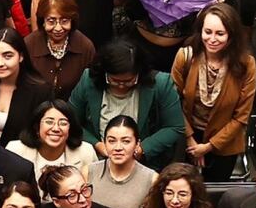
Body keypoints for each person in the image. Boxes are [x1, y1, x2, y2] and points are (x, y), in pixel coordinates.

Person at [170, 3, 256, 182]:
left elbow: (241, 116)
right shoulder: (185, 57)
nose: (212, 39)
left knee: (214, 196)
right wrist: (190, 141)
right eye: (207, 32)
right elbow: (173, 103)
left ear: (231, 36)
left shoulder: (246, 64)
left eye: (220, 34)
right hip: (187, 136)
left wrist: (208, 147)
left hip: (225, 142)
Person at [69, 38, 185, 171]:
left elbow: (175, 126)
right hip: (98, 162)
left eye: (129, 81)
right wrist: (98, 145)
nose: (121, 85)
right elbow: (71, 121)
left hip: (146, 165)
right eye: (115, 80)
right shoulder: (88, 80)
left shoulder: (161, 83)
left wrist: (142, 149)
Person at [5, 99, 97, 200]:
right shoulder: (16, 150)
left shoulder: (86, 152)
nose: (56, 128)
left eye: (63, 123)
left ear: (70, 128)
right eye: (49, 122)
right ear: (36, 127)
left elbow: (93, 194)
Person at [24, 0, 95, 99]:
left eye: (64, 21)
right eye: (51, 21)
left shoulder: (85, 47)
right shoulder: (28, 45)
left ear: (72, 20)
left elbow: (90, 91)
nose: (58, 28)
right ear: (42, 21)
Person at [85, 115, 158, 208]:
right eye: (112, 141)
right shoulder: (88, 172)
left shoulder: (151, 179)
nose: (118, 147)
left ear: (137, 144)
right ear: (104, 142)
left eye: (126, 141)